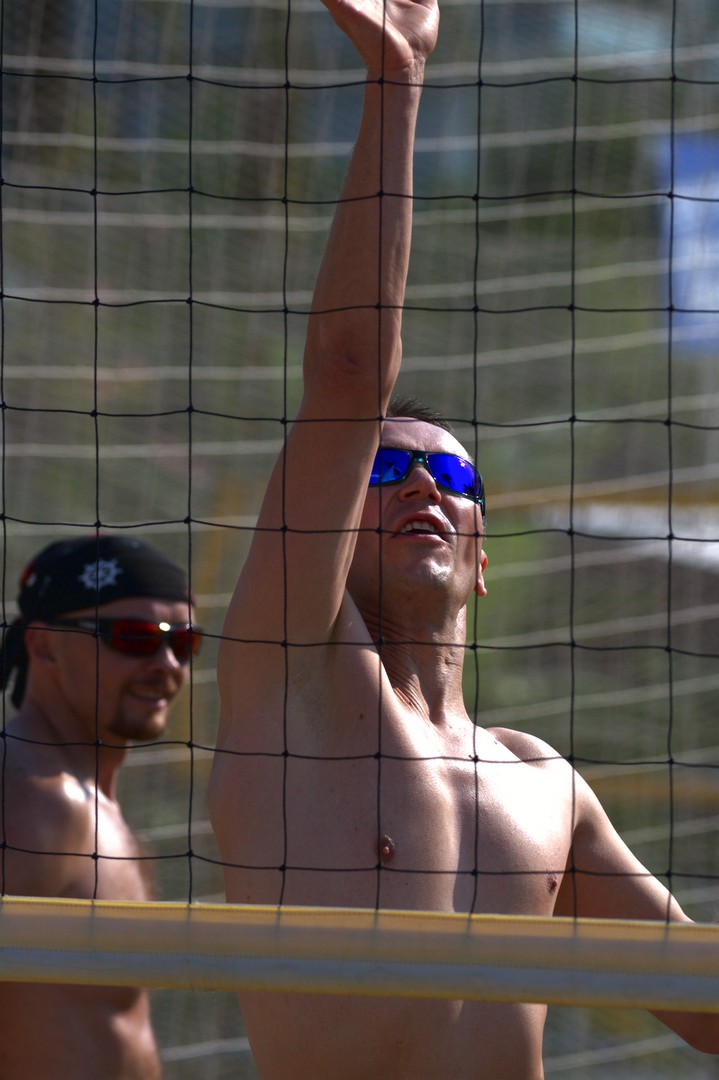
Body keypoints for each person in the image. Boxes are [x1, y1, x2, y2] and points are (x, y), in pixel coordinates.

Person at [208, 1, 719, 1077]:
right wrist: (397, 80)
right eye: (383, 471)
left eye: (450, 476)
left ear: (482, 559)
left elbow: (696, 993)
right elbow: (347, 377)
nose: (419, 486)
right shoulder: (294, 680)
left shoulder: (543, 784)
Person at [0, 534, 200, 1080]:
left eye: (184, 642)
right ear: (45, 648)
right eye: (134, 637)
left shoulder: (87, 798)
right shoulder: (36, 800)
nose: (167, 664)